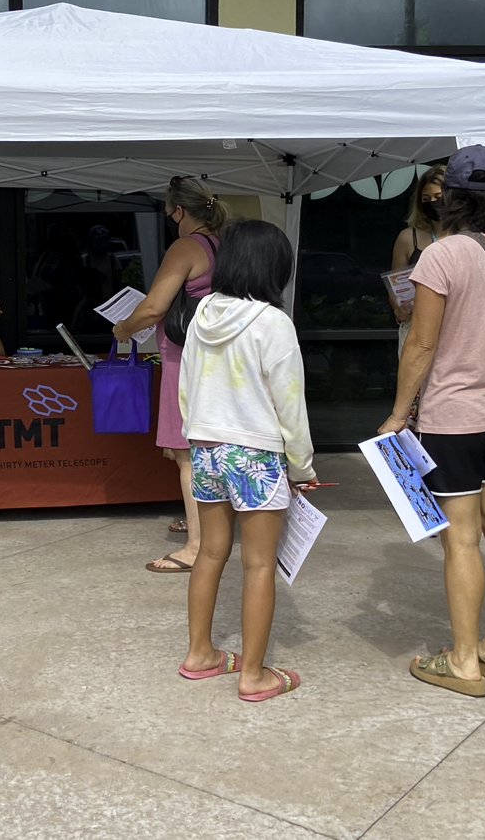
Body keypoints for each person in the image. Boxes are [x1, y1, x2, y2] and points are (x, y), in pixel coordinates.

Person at [377, 143, 485, 697]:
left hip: (452, 417)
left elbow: (421, 344)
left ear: (450, 196)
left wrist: (397, 415)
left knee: (460, 541)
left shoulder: (442, 256)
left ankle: (464, 661)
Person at [174, 218, 314, 701]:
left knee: (211, 553)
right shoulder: (274, 323)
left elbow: (186, 390)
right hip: (255, 453)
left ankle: (200, 653)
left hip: (206, 448)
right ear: (277, 267)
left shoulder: (203, 312)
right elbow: (289, 405)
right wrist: (304, 468)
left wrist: (199, 436)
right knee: (259, 565)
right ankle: (253, 675)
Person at [109, 176, 224, 574]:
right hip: (219, 356)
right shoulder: (224, 244)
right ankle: (205, 524)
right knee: (209, 445)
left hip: (185, 357)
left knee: (185, 451)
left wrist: (123, 328)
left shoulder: (186, 246)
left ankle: (195, 546)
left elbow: (154, 307)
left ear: (178, 211)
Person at [386, 166, 447, 347]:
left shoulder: (470, 237)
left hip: (458, 331)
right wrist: (400, 309)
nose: (433, 204)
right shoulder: (408, 238)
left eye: (439, 198)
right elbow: (394, 287)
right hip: (418, 330)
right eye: (426, 199)